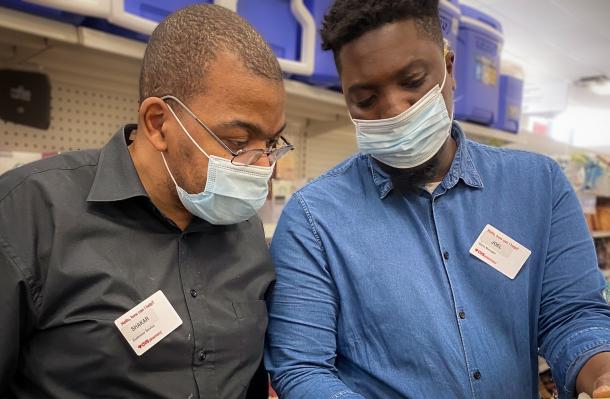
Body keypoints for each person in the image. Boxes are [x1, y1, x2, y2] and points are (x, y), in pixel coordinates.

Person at [265, 1, 610, 398]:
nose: (394, 111)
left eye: (412, 81)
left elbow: (572, 315)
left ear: (449, 68)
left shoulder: (539, 185)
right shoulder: (313, 219)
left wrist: (601, 372)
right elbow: (303, 368)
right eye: (366, 99)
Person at [0, 4, 292, 398]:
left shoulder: (245, 230)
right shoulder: (31, 211)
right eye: (238, 142)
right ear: (158, 123)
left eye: (270, 143)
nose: (262, 167)